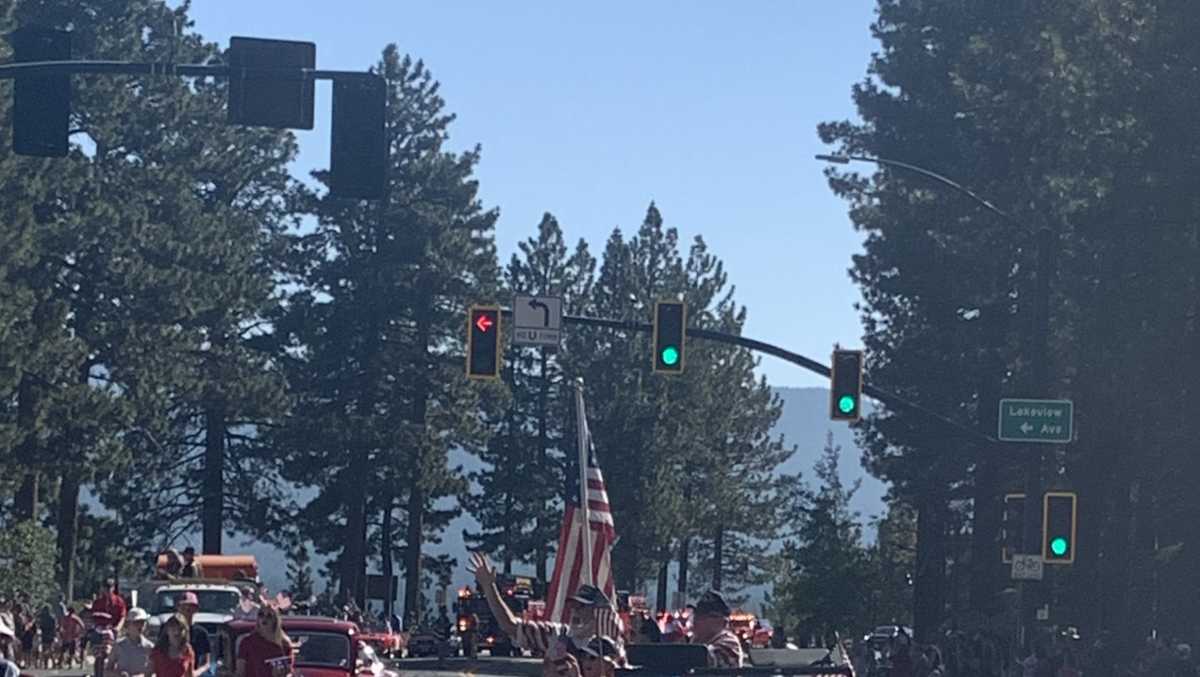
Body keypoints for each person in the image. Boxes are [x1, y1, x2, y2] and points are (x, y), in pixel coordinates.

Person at [469, 551, 626, 663]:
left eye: (583, 607)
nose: (576, 611)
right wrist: (489, 587)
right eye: (574, 606)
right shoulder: (558, 635)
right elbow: (510, 625)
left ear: (597, 612)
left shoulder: (610, 645)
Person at [687, 590, 743, 669]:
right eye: (696, 614)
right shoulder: (694, 640)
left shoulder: (729, 642)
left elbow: (713, 660)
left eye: (704, 615)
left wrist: (683, 654)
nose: (696, 619)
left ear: (722, 621)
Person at [235, 606, 293, 677]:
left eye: (269, 616)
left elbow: (289, 670)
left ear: (275, 620)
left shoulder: (284, 644)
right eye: (261, 614)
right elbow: (240, 671)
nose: (264, 619)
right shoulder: (247, 642)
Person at [109, 608, 154, 677]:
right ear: (128, 624)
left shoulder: (150, 647)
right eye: (136, 623)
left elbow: (154, 672)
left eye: (142, 622)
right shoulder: (118, 645)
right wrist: (118, 675)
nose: (140, 626)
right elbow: (107, 671)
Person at [175, 593, 211, 677]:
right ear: (178, 608)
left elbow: (206, 663)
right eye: (183, 607)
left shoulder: (201, 633)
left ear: (196, 609)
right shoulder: (168, 630)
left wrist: (195, 673)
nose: (187, 609)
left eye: (190, 607)